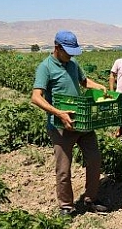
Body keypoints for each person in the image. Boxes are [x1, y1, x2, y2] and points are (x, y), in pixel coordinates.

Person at [30, 30, 109, 216]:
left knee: (95, 160)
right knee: (64, 169)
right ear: (57, 47)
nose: (71, 55)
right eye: (68, 51)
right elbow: (35, 97)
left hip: (82, 121)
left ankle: (91, 199)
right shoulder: (46, 67)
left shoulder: (73, 63)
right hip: (60, 127)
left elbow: (84, 81)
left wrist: (98, 86)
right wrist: (59, 113)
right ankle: (66, 206)